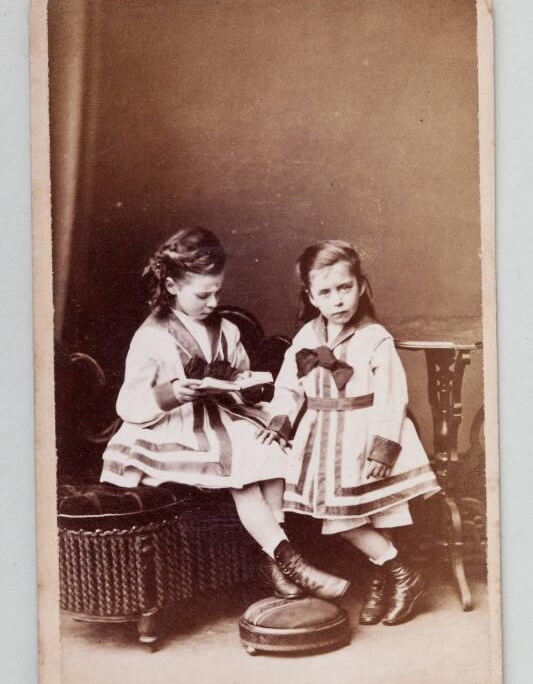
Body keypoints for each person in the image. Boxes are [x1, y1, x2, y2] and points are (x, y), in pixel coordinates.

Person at [101, 227, 349, 601]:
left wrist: (246, 382)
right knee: (244, 471)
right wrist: (171, 393)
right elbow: (129, 404)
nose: (213, 302)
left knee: (268, 449)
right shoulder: (151, 336)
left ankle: (271, 562)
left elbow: (238, 373)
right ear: (171, 286)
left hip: (224, 415)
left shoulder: (227, 330)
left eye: (218, 291)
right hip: (174, 426)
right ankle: (290, 560)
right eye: (203, 295)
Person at [258, 240, 440, 625]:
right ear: (311, 296)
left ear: (361, 286)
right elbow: (289, 389)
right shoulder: (307, 337)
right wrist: (279, 421)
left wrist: (383, 448)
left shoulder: (376, 338)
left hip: (365, 432)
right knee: (343, 516)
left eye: (345, 288)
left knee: (381, 513)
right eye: (325, 292)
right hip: (324, 439)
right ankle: (402, 574)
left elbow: (392, 398)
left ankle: (386, 582)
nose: (337, 300)